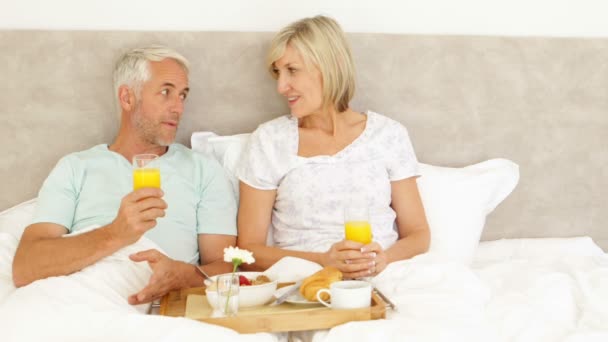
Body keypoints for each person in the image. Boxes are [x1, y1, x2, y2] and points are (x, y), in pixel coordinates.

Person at [12, 46, 237, 304]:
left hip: (164, 310)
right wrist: (115, 233)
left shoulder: (203, 170)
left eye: (183, 95)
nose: (178, 107)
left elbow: (228, 268)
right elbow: (25, 267)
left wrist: (183, 276)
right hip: (82, 302)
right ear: (128, 98)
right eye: (166, 93)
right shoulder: (75, 168)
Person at [236, 16, 430, 279]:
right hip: (304, 282)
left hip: (385, 275)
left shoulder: (388, 135)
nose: (281, 86)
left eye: (292, 70)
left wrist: (384, 259)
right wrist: (323, 261)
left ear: (330, 67)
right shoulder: (269, 140)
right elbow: (247, 252)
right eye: (277, 73)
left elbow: (418, 234)